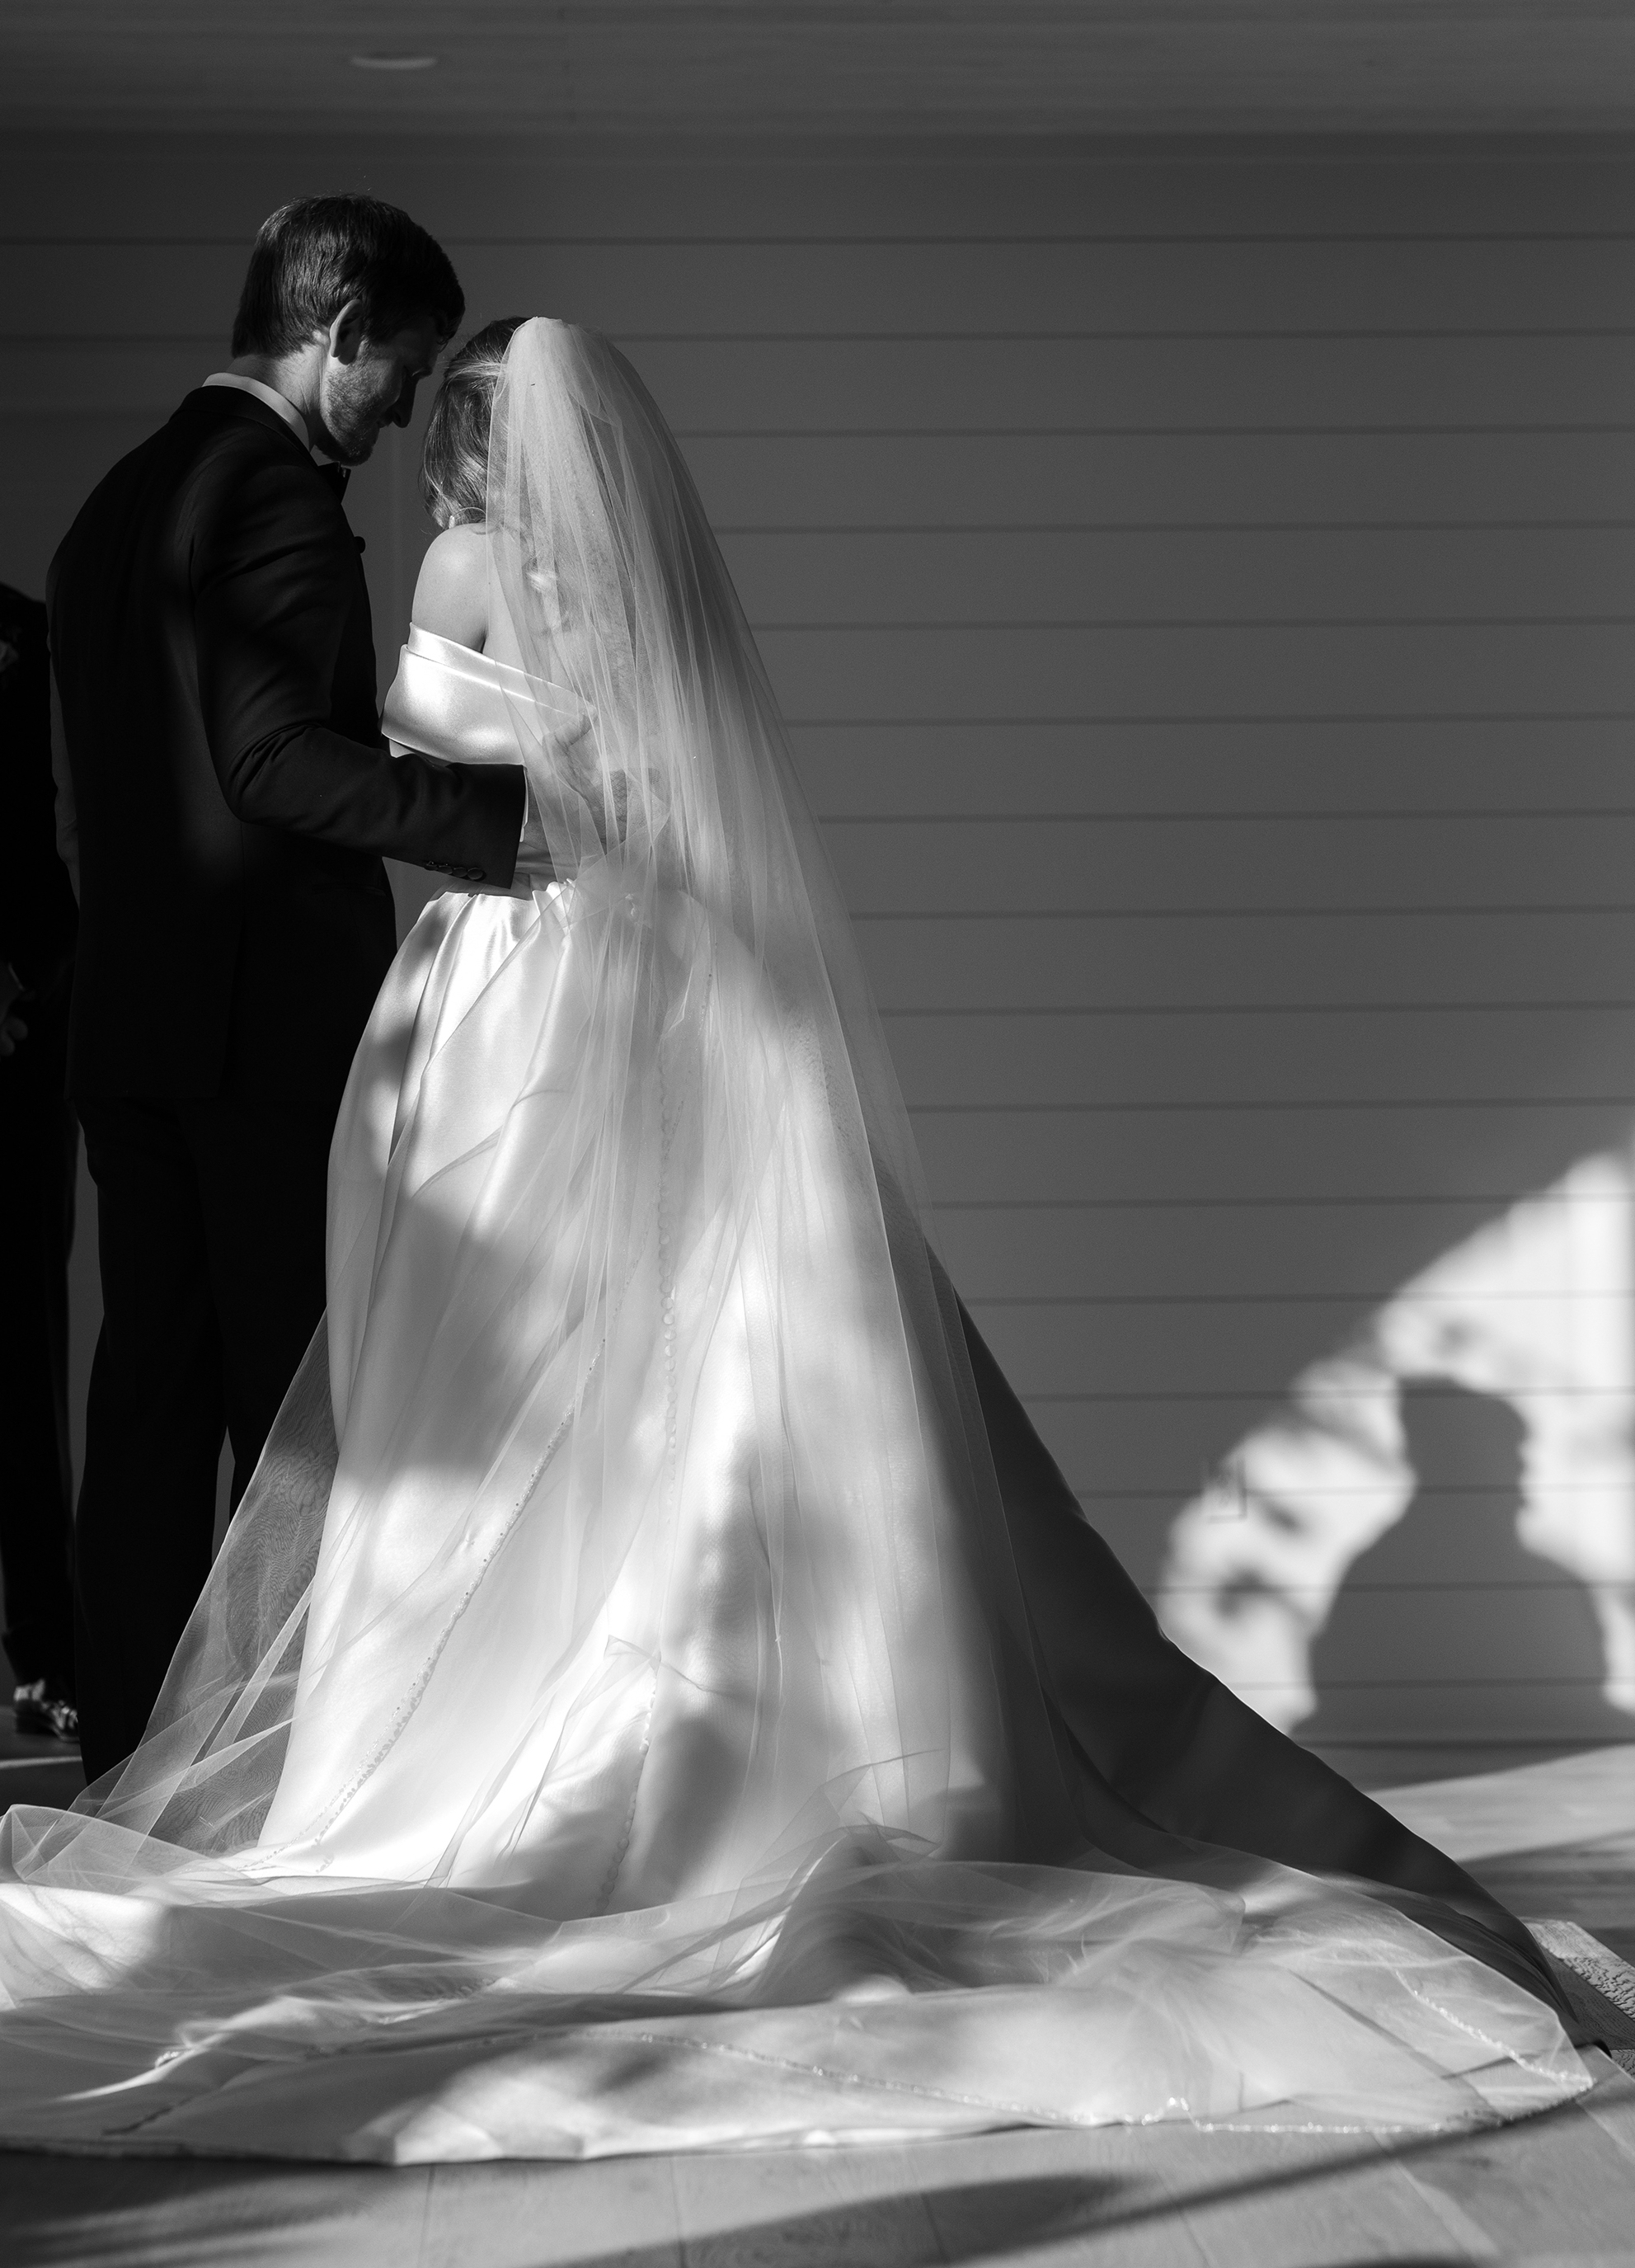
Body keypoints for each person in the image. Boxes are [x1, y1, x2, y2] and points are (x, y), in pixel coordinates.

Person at [0, 319, 1588, 2158]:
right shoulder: (635, 599)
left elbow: (366, 767)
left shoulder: (440, 568)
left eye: (447, 445)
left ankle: (445, 1743)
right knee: (648, 1382)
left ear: (468, 455)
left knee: (450, 1399)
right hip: (647, 986)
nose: (430, 476)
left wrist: (495, 818)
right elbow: (664, 800)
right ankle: (738, 1730)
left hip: (492, 1004)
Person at [45, 199, 544, 1782]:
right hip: (258, 1033)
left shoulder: (110, 508)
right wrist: (506, 825)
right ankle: (274, 1767)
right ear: (335, 333)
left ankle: (132, 1756)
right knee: (289, 1415)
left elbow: (102, 797)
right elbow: (271, 760)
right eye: (395, 371)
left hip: (127, 1023)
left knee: (144, 1401)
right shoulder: (265, 491)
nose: (403, 410)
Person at [0, 581, 78, 1741]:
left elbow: (56, 823)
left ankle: (48, 1657)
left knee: (25, 1349)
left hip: (26, 1037)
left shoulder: (27, 628)